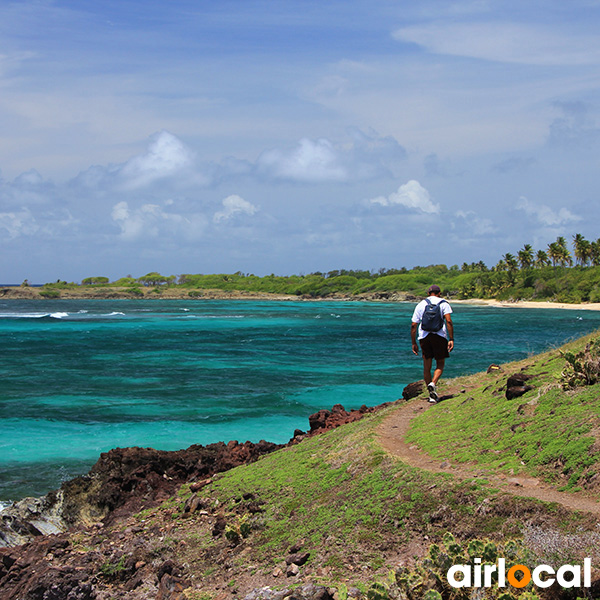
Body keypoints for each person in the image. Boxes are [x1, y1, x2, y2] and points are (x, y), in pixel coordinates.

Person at [411, 284, 454, 403]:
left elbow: (414, 325)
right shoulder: (443, 303)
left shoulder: (421, 304)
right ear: (439, 293)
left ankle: (431, 395)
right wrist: (451, 339)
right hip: (439, 336)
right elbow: (449, 321)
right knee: (440, 363)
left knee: (426, 366)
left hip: (424, 337)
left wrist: (414, 342)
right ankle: (433, 383)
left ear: (428, 293)